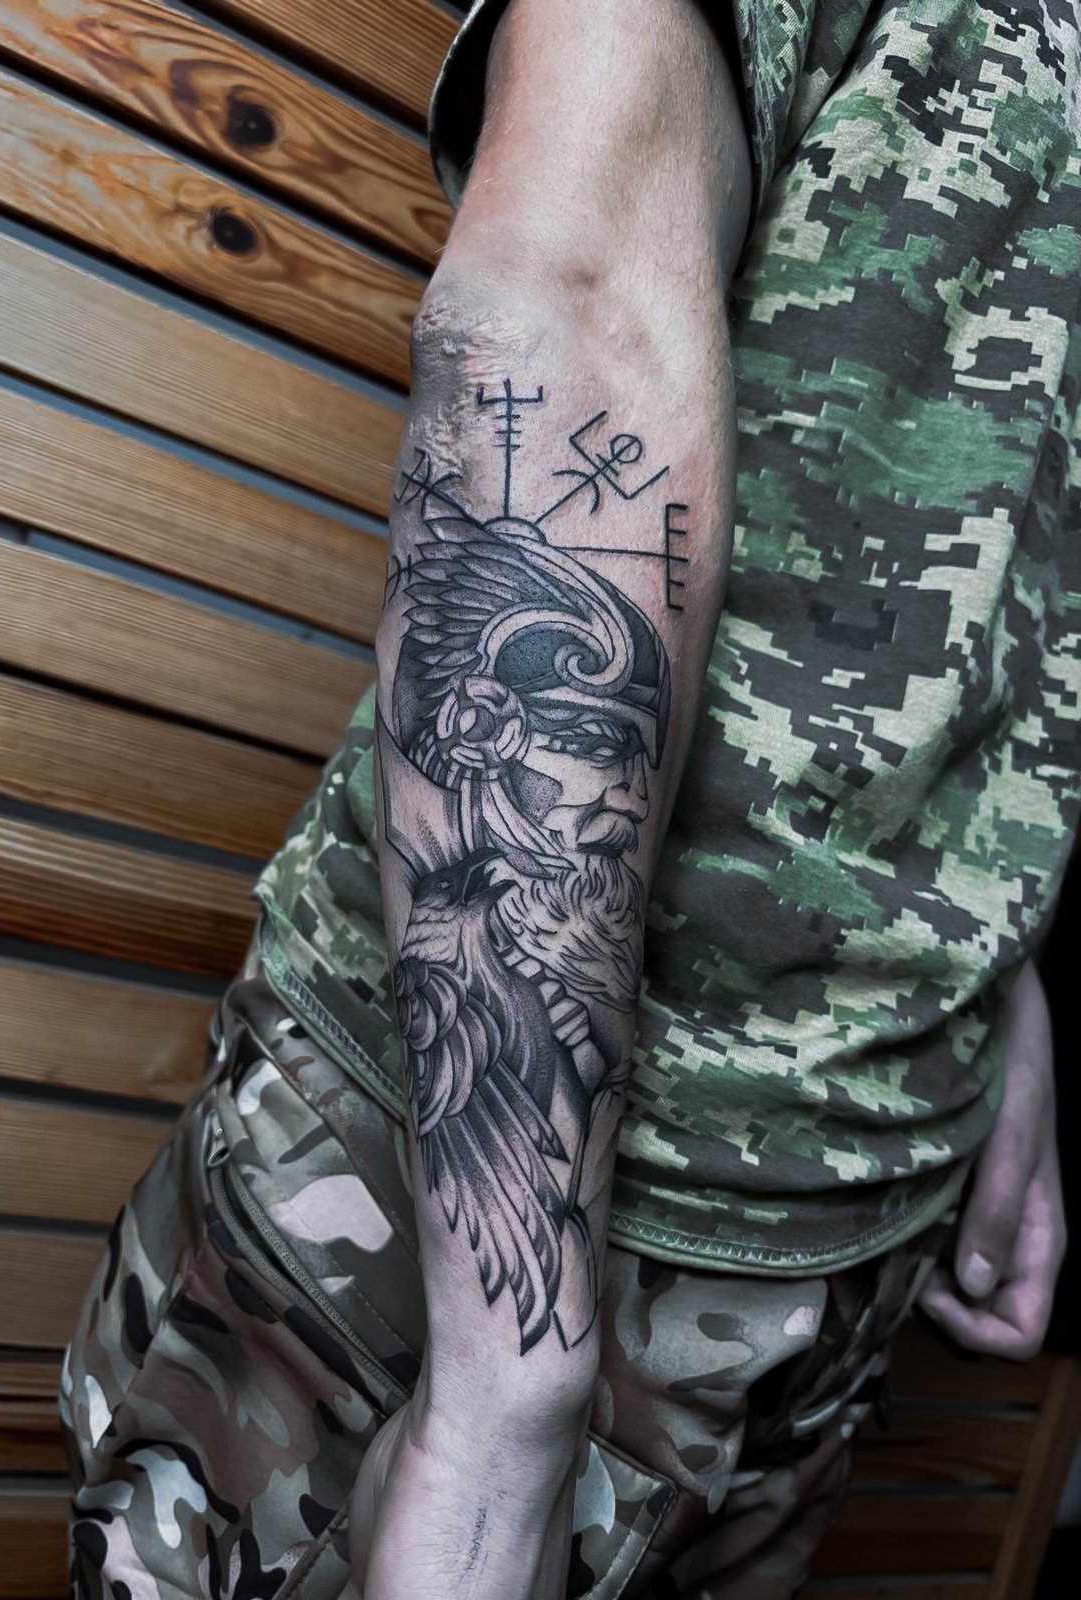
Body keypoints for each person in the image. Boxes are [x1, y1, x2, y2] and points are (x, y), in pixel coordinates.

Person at [61, 1, 1078, 1595]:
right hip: (467, 1239)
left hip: (849, 1241)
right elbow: (570, 326)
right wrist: (502, 1410)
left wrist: (993, 963)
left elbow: (1000, 517)